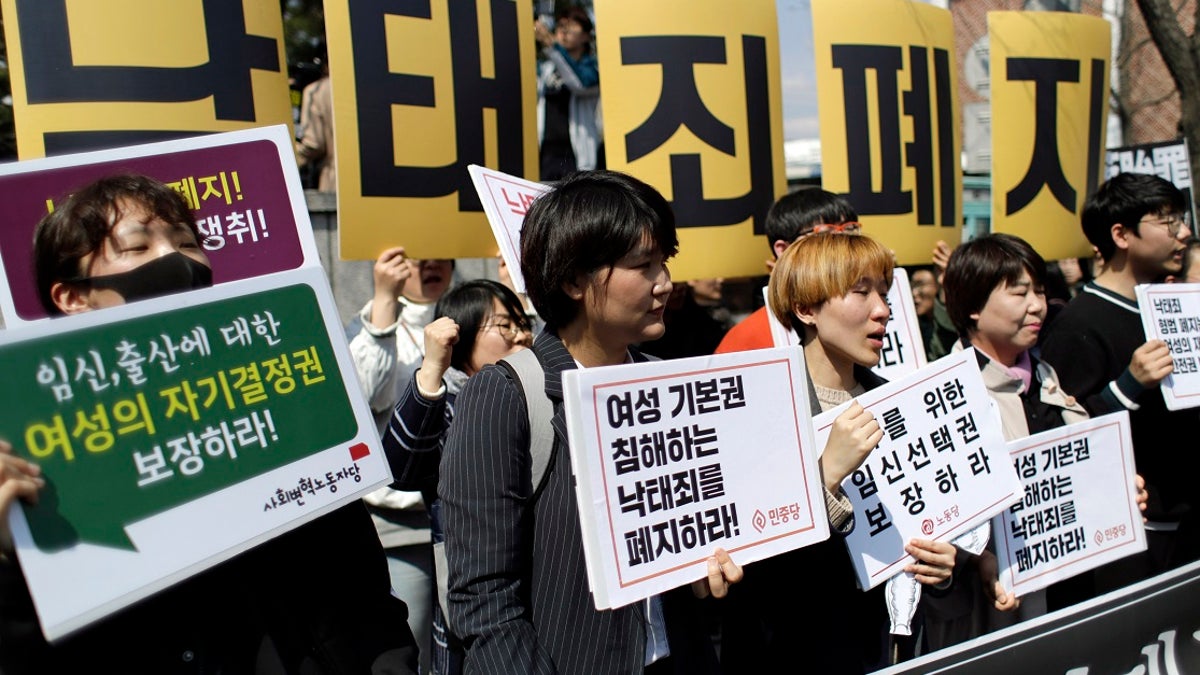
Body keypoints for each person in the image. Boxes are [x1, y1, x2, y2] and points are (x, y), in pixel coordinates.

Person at [3, 173, 418, 673]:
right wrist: (14, 553)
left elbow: (359, 587)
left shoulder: (273, 395)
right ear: (73, 297)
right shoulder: (40, 455)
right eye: (138, 247)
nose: (176, 259)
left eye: (186, 241)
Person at [441, 170, 741, 674]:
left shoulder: (665, 384)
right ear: (574, 280)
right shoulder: (506, 394)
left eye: (664, 262)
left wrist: (705, 570)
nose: (664, 283)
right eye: (642, 265)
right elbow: (484, 599)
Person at [721, 233, 956, 673]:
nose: (882, 310)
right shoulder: (756, 406)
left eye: (883, 294)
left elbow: (919, 528)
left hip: (888, 651)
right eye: (860, 292)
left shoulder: (896, 402)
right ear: (806, 309)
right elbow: (750, 573)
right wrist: (824, 477)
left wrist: (940, 569)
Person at [1040, 172, 1193, 592]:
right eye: (1168, 221)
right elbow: (1063, 433)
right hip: (1139, 540)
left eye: (1180, 219)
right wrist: (1130, 383)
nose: (1184, 233)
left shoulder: (1172, 307)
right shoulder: (1079, 323)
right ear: (1121, 234)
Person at [381, 279, 533, 675]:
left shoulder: (538, 391)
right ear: (460, 337)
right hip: (475, 592)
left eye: (523, 322)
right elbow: (401, 468)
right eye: (504, 325)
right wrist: (432, 368)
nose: (522, 335)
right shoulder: (447, 402)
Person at [346, 247, 455, 674]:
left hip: (460, 516)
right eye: (419, 257)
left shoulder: (472, 308)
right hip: (398, 524)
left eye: (441, 254)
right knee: (409, 645)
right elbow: (365, 394)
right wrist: (384, 301)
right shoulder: (372, 317)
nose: (432, 265)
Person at [715, 188, 860, 354]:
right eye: (825, 235)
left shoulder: (880, 312)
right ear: (784, 250)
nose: (844, 246)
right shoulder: (745, 341)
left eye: (849, 230)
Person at [534, 6, 603, 180]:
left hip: (577, 156)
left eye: (571, 26)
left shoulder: (592, 69)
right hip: (546, 154)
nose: (564, 31)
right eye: (560, 26)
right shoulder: (546, 69)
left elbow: (580, 84)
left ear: (586, 36)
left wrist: (552, 47)